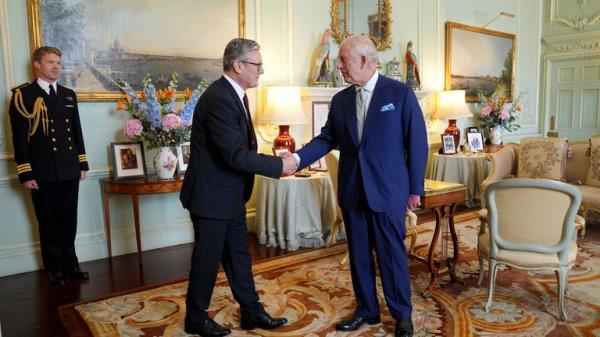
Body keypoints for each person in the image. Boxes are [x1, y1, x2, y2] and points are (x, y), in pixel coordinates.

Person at [293, 36, 428, 337]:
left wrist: (415, 190)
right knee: (358, 256)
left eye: (343, 60)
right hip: (354, 191)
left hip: (389, 191)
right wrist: (297, 159)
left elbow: (417, 144)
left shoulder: (401, 94)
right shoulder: (340, 100)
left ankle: (402, 314)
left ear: (364, 61)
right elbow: (327, 139)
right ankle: (367, 310)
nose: (338, 65)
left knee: (391, 256)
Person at [179, 38, 297, 337]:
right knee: (207, 260)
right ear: (238, 65)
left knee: (238, 255)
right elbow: (234, 154)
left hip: (228, 194)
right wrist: (277, 166)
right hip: (211, 196)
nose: (262, 70)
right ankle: (195, 317)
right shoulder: (219, 98)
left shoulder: (234, 95)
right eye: (257, 64)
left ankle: (251, 310)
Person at [8, 46, 90, 286]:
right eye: (51, 62)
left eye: (58, 62)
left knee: (68, 219)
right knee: (48, 220)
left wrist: (81, 163)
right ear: (37, 65)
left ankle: (71, 264)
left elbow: (76, 131)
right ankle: (54, 267)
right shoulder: (24, 96)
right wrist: (25, 171)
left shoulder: (67, 95)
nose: (56, 67)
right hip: (41, 170)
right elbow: (20, 138)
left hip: (67, 167)